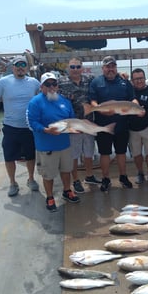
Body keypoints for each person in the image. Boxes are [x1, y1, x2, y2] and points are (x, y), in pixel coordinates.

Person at [26, 72, 79, 212]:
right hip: (46, 146)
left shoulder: (65, 101)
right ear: (41, 87)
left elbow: (71, 119)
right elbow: (32, 123)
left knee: (66, 170)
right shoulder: (35, 102)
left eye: (54, 84)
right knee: (48, 174)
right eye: (47, 84)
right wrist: (45, 130)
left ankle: (67, 191)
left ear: (57, 86)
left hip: (65, 145)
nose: (51, 87)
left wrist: (76, 129)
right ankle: (49, 197)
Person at [0, 55, 40, 197]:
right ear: (13, 67)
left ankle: (31, 178)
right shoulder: (3, 82)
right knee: (9, 157)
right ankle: (12, 182)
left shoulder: (34, 82)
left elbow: (41, 100)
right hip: (10, 127)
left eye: (23, 65)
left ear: (27, 68)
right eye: (17, 65)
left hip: (29, 127)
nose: (20, 68)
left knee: (30, 155)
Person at [89, 56, 137, 192]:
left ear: (116, 67)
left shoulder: (124, 81)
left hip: (122, 125)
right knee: (104, 153)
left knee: (121, 152)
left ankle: (123, 176)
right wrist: (97, 108)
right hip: (103, 125)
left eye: (113, 66)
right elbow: (92, 100)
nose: (110, 69)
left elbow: (132, 97)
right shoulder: (95, 82)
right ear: (103, 68)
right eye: (107, 66)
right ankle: (105, 178)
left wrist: (137, 106)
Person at [58, 57, 101, 194]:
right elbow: (49, 93)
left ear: (82, 68)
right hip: (72, 125)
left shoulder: (89, 80)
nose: (75, 70)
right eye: (72, 67)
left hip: (88, 123)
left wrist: (122, 75)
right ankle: (76, 180)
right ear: (68, 68)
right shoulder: (61, 82)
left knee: (89, 153)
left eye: (78, 67)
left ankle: (89, 176)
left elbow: (104, 79)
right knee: (74, 156)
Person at [129, 68, 148, 186]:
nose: (139, 81)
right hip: (132, 129)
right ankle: (140, 173)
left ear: (145, 78)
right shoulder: (129, 92)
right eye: (136, 79)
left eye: (141, 78)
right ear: (132, 80)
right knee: (136, 153)